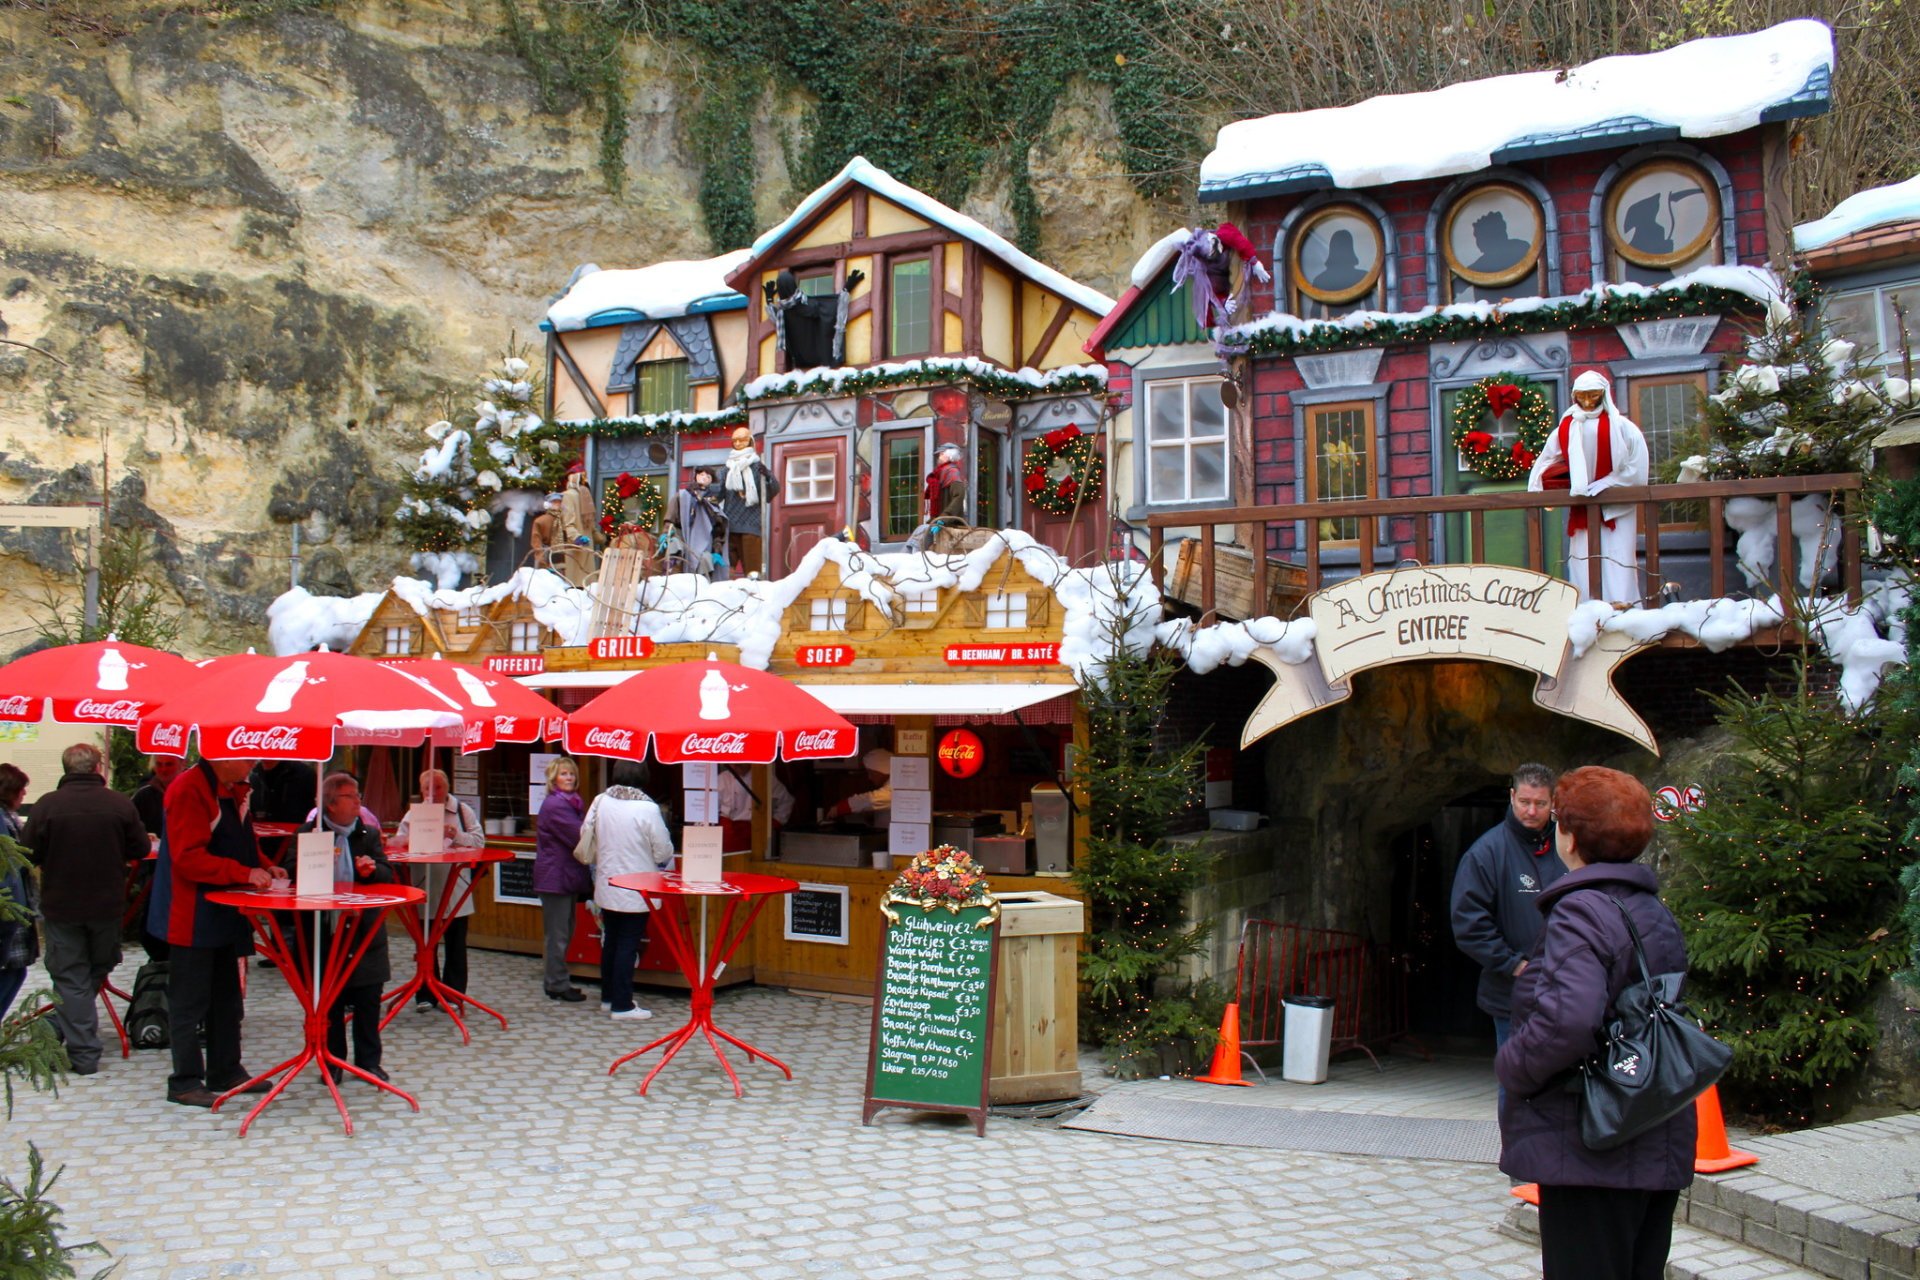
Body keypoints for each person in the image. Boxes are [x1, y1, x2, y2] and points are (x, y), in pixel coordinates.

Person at [1497, 766, 1695, 1280]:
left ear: (1570, 835)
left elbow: (1569, 1020)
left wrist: (1513, 1067)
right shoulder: (1652, 909)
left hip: (1591, 1141)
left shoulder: (1580, 911)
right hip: (1653, 1123)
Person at [152, 756, 283, 1107]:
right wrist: (243, 872)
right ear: (223, 756)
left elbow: (244, 840)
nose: (254, 762)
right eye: (247, 756)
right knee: (189, 1000)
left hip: (225, 909)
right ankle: (184, 1081)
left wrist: (266, 865)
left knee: (227, 998)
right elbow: (188, 857)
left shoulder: (235, 788)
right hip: (191, 912)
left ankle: (226, 1069)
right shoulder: (189, 789)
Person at [23, 743, 148, 1076]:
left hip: (62, 902)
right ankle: (83, 1049)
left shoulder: (47, 805)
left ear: (66, 769)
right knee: (95, 965)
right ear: (98, 768)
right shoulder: (119, 803)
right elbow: (141, 847)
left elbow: (27, 853)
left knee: (71, 975)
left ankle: (71, 1034)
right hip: (106, 902)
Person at [1451, 763, 1561, 1050]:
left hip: (1567, 990)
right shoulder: (1486, 852)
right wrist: (1512, 964)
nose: (1532, 811)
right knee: (1517, 1083)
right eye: (1525, 802)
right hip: (1513, 993)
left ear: (1554, 802)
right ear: (1512, 797)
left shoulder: (1569, 846)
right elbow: (1468, 923)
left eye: (1540, 803)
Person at [304, 773, 397, 1083]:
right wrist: (314, 865)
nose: (359, 801)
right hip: (325, 930)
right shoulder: (310, 833)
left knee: (369, 998)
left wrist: (371, 872)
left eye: (358, 795)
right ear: (331, 804)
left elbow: (388, 873)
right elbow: (292, 872)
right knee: (330, 1001)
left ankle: (369, 1061)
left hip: (364, 931)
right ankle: (332, 1061)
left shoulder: (367, 834)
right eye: (350, 796)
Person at [1528, 370, 1649, 605]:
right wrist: (1549, 484)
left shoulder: (1622, 427)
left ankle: (1622, 607)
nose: (1587, 402)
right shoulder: (1565, 429)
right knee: (1583, 558)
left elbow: (1637, 467)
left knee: (1618, 559)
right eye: (1582, 395)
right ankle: (1588, 607)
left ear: (1602, 395)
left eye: (1592, 395)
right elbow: (1545, 462)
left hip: (1616, 510)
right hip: (1582, 507)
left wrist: (1609, 482)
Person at [576, 760, 674, 1021]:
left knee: (611, 941)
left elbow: (586, 832)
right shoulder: (648, 808)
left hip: (607, 883)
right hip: (637, 887)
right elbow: (663, 850)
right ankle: (622, 1005)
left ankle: (608, 998)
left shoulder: (601, 800)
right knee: (627, 945)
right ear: (643, 777)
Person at [391, 768, 484, 1010]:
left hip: (456, 887)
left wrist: (457, 835)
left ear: (447, 787)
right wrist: (409, 841)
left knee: (455, 944)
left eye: (438, 788)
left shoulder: (462, 810)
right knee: (425, 944)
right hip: (425, 886)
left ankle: (453, 995)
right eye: (427, 789)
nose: (432, 793)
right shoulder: (415, 814)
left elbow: (479, 842)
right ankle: (426, 993)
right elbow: (398, 844)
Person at [533, 756, 592, 1002]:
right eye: (564, 774)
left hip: (563, 878)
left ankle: (557, 981)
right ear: (553, 778)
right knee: (558, 934)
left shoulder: (571, 803)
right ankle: (556, 984)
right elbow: (579, 836)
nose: (569, 778)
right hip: (555, 878)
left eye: (572, 774)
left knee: (565, 930)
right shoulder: (557, 806)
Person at [130, 755, 180, 958]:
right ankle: (159, 956)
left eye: (169, 764)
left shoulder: (188, 790)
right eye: (159, 765)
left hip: (179, 866)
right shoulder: (144, 794)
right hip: (153, 868)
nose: (164, 769)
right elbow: (132, 827)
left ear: (181, 765)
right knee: (154, 912)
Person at [0, 764, 37, 1020]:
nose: (24, 795)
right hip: (10, 910)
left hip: (15, 908)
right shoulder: (3, 822)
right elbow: (8, 872)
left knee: (16, 971)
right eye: (21, 790)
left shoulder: (8, 818)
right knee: (11, 972)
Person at [720, 425, 777, 577]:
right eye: (735, 440)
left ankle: (754, 599)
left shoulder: (758, 467)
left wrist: (769, 477)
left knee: (753, 572)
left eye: (742, 440)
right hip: (730, 526)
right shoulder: (727, 469)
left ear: (749, 441)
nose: (738, 444)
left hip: (751, 525)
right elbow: (717, 494)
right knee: (726, 571)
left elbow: (771, 492)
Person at [717, 766, 793, 853]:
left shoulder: (765, 778)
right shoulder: (722, 778)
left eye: (740, 762)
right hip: (728, 832)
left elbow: (787, 801)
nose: (736, 765)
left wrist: (775, 822)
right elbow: (713, 806)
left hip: (754, 830)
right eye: (734, 762)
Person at [674, 466, 728, 580]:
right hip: (686, 539)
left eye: (708, 476)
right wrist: (667, 533)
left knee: (705, 567)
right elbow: (672, 517)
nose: (704, 478)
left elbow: (718, 528)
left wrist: (717, 549)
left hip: (706, 544)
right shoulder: (682, 496)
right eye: (702, 475)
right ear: (696, 476)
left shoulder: (713, 502)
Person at [823, 749, 893, 827]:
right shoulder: (889, 785)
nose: (869, 777)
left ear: (881, 770)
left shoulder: (894, 788)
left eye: (871, 773)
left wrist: (839, 808)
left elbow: (870, 800)